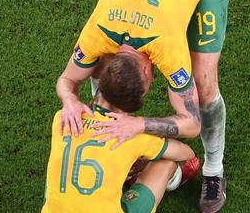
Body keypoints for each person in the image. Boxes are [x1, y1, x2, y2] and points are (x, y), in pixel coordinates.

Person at [54, 0, 233, 213]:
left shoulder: (166, 49)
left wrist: (140, 125)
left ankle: (214, 170)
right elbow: (66, 80)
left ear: (150, 72)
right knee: (96, 65)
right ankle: (105, 121)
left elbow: (192, 123)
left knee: (204, 83)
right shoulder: (97, 34)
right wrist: (70, 102)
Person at [42, 50, 200, 213]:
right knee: (167, 162)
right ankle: (172, 179)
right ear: (133, 104)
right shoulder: (133, 136)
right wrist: (146, 132)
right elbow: (187, 154)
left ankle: (127, 173)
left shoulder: (62, 118)